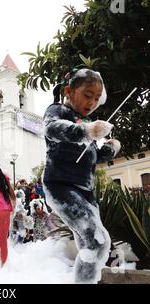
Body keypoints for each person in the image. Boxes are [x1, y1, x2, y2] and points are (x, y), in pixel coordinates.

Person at [43, 68, 121, 284]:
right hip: (60, 186)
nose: (92, 102)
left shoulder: (83, 121)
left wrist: (111, 148)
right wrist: (87, 131)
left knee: (100, 242)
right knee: (95, 240)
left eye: (96, 98)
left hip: (85, 191)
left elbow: (91, 155)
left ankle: (85, 281)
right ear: (69, 91)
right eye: (87, 95)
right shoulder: (57, 110)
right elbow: (52, 129)